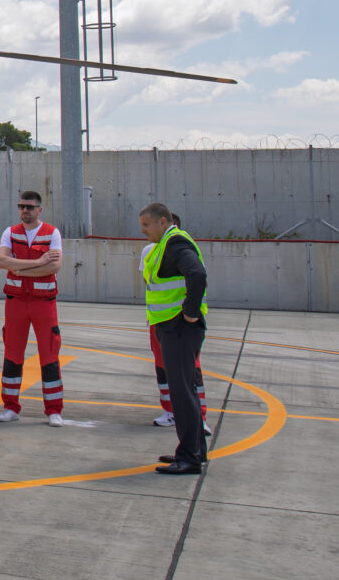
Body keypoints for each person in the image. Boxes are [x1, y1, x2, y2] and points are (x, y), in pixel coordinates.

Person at [138, 202, 210, 475]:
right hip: (174, 328)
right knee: (185, 391)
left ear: (163, 221)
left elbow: (198, 274)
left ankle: (189, 458)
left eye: (146, 224)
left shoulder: (175, 243)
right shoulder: (166, 244)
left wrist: (190, 312)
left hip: (179, 329)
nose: (142, 230)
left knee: (181, 393)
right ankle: (194, 451)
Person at [0, 189, 66, 425]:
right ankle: (10, 407)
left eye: (30, 207)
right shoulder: (10, 232)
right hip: (15, 303)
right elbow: (1, 261)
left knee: (49, 355)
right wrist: (36, 262)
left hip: (44, 303)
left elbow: (53, 268)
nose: (25, 210)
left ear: (39, 209)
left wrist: (18, 268)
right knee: (12, 355)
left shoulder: (52, 233)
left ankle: (54, 410)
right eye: (21, 206)